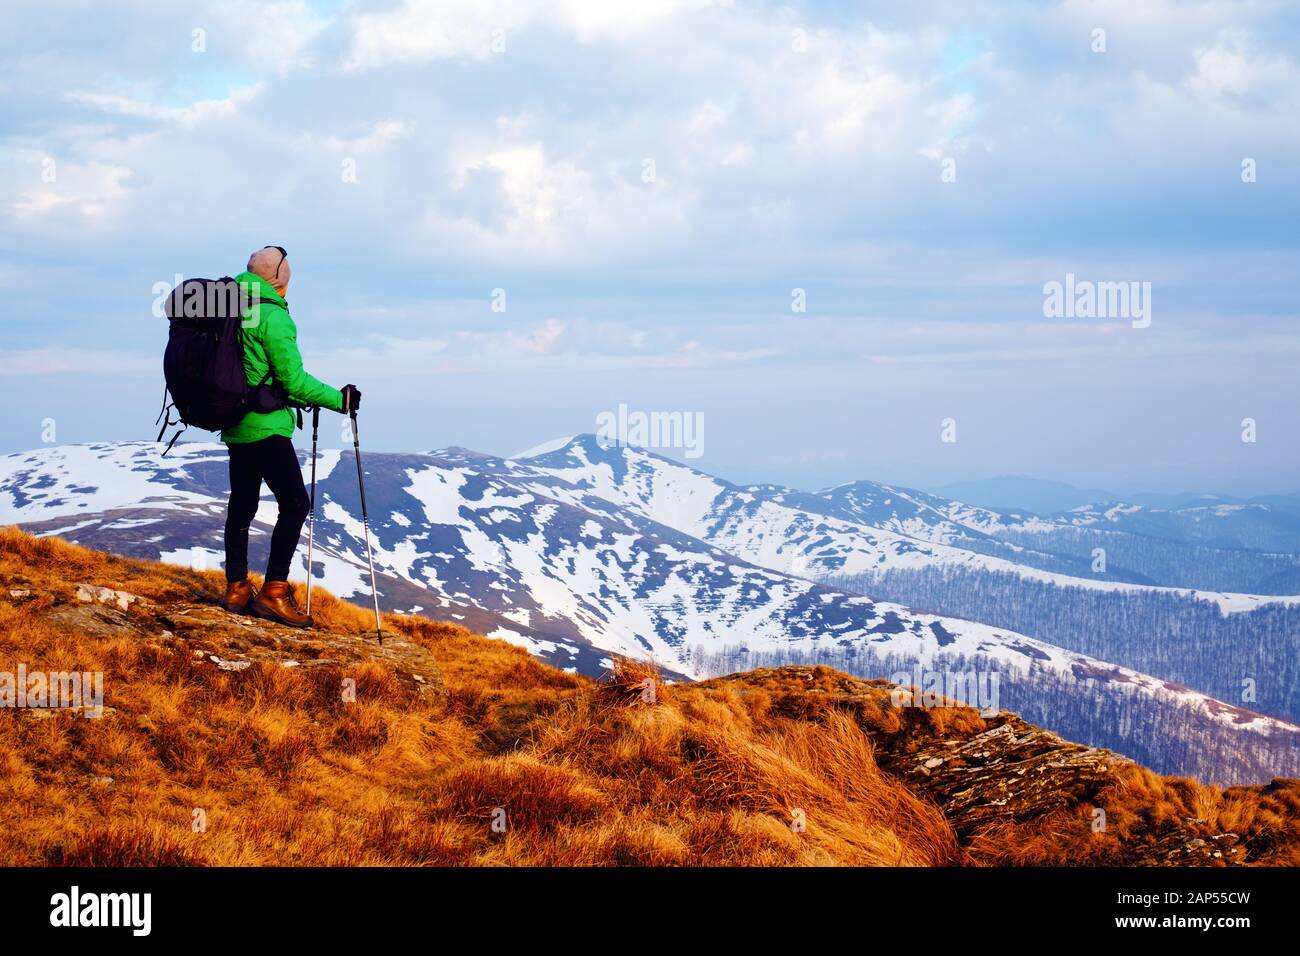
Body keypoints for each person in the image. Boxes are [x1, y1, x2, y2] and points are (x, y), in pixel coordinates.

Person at [219, 245, 361, 627]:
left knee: (243, 504)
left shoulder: (231, 307)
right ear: (279, 279)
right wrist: (340, 400)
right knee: (296, 504)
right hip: (266, 426)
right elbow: (292, 381)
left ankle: (236, 588)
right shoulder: (272, 316)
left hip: (234, 424)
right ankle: (273, 593)